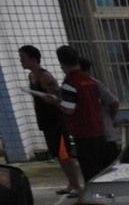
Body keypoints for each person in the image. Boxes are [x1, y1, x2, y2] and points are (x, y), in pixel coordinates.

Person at [17, 45, 81, 196]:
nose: (20, 61)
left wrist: (50, 99)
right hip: (45, 120)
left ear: (33, 59)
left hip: (56, 121)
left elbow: (57, 99)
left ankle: (77, 185)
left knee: (65, 154)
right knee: (59, 155)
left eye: (23, 58)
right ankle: (71, 183)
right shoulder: (32, 76)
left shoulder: (45, 77)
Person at [54, 45, 108, 184]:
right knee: (101, 169)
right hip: (98, 130)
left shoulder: (69, 83)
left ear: (61, 62)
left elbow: (68, 109)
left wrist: (54, 102)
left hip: (83, 132)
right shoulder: (90, 81)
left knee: (90, 171)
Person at [79, 58, 121, 168]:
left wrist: (111, 117)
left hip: (104, 133)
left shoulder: (93, 83)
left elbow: (114, 102)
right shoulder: (84, 84)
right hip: (95, 133)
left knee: (109, 166)